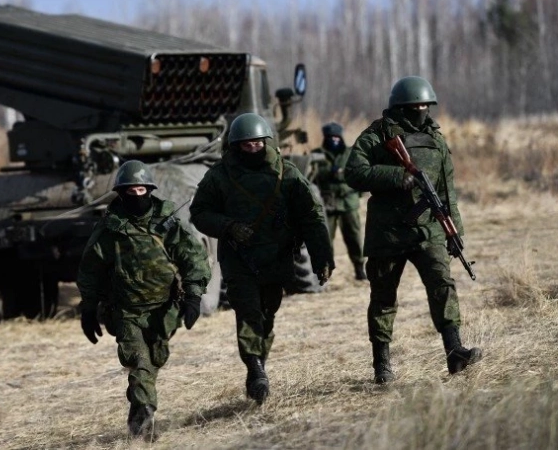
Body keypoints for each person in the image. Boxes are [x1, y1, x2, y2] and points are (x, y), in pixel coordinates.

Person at [344, 76, 482, 384]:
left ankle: (455, 352)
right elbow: (353, 171)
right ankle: (382, 365)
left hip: (428, 230)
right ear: (401, 107)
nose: (421, 111)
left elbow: (447, 191)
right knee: (383, 298)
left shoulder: (436, 139)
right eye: (415, 106)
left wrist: (454, 231)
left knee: (443, 285)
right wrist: (396, 176)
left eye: (425, 106)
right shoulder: (378, 134)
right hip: (388, 233)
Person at [189, 112, 334, 405]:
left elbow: (311, 216)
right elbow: (200, 213)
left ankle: (258, 365)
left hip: (276, 259)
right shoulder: (220, 176)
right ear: (236, 146)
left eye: (258, 143)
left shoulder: (286, 173)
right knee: (248, 313)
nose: (253, 148)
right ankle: (255, 369)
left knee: (267, 316)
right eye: (247, 144)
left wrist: (322, 258)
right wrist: (228, 227)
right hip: (238, 260)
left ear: (267, 142)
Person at [76, 160, 211, 436]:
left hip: (163, 310)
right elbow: (90, 271)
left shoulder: (166, 223)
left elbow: (193, 257)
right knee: (138, 360)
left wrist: (194, 296)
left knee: (155, 359)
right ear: (120, 193)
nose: (137, 196)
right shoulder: (110, 230)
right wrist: (88, 308)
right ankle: (145, 415)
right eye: (130, 191)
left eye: (141, 190)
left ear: (149, 190)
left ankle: (138, 407)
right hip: (126, 311)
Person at [310, 122, 367, 281]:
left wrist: (342, 175)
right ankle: (326, 271)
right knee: (326, 239)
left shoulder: (351, 153)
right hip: (328, 203)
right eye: (330, 137)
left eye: (336, 137)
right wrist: (330, 172)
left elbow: (359, 173)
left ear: (341, 138)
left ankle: (359, 268)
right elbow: (313, 175)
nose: (334, 140)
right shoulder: (317, 155)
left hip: (349, 202)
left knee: (354, 237)